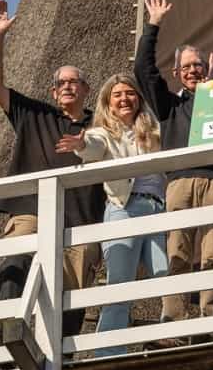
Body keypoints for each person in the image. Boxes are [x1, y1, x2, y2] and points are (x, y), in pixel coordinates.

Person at [0, 0, 105, 346]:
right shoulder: (35, 114)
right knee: (17, 256)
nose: (67, 86)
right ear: (53, 91)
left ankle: (63, 353)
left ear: (86, 90)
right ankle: (8, 324)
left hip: (82, 217)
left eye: (74, 82)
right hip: (31, 207)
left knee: (73, 293)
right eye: (61, 82)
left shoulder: (101, 124)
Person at [134, 0, 213, 338]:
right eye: (187, 67)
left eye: (198, 65)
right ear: (177, 73)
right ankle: (174, 322)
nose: (193, 71)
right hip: (180, 181)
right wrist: (153, 25)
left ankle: (211, 320)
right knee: (178, 252)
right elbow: (143, 70)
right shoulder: (170, 107)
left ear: (207, 69)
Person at [55, 73, 166, 357]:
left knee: (165, 273)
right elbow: (93, 147)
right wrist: (81, 145)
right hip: (124, 208)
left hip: (159, 208)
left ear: (138, 98)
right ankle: (108, 351)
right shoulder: (102, 133)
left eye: (129, 93)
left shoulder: (154, 128)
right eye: (117, 95)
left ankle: (169, 335)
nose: (124, 99)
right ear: (108, 103)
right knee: (120, 281)